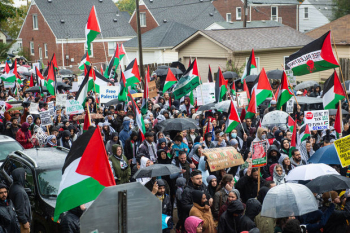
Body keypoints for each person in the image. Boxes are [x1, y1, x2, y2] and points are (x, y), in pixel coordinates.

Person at [9, 168, 31, 233]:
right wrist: (25, 222)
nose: (25, 176)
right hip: (21, 223)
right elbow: (19, 209)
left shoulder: (13, 186)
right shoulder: (19, 191)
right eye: (24, 175)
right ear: (20, 176)